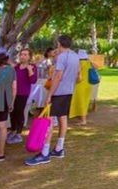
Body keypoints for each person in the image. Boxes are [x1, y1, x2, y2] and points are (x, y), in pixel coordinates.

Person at [26, 35, 81, 166]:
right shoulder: (75, 56)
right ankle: (59, 148)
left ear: (59, 43)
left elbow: (57, 77)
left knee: (49, 121)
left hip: (59, 92)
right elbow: (78, 74)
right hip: (69, 91)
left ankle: (44, 153)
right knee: (63, 118)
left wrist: (50, 94)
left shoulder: (62, 57)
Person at [8, 48, 37, 144]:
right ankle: (13, 130)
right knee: (12, 112)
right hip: (13, 93)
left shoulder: (32, 67)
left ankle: (19, 133)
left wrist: (30, 71)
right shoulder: (16, 67)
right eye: (22, 54)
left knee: (20, 112)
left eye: (25, 54)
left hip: (23, 93)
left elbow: (33, 81)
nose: (23, 56)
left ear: (29, 56)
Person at [70, 50, 92, 125]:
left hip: (80, 84)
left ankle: (83, 120)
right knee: (85, 101)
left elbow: (78, 76)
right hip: (88, 84)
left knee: (80, 101)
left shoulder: (79, 63)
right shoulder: (89, 62)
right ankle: (83, 117)